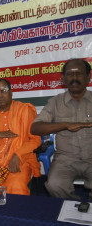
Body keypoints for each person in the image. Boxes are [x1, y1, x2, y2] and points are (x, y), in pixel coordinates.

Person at [31, 59, 92, 200]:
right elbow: (35, 128)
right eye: (70, 74)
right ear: (63, 79)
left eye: (79, 74)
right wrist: (65, 125)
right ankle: (73, 206)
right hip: (66, 159)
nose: (74, 78)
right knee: (54, 185)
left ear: (88, 77)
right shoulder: (55, 102)